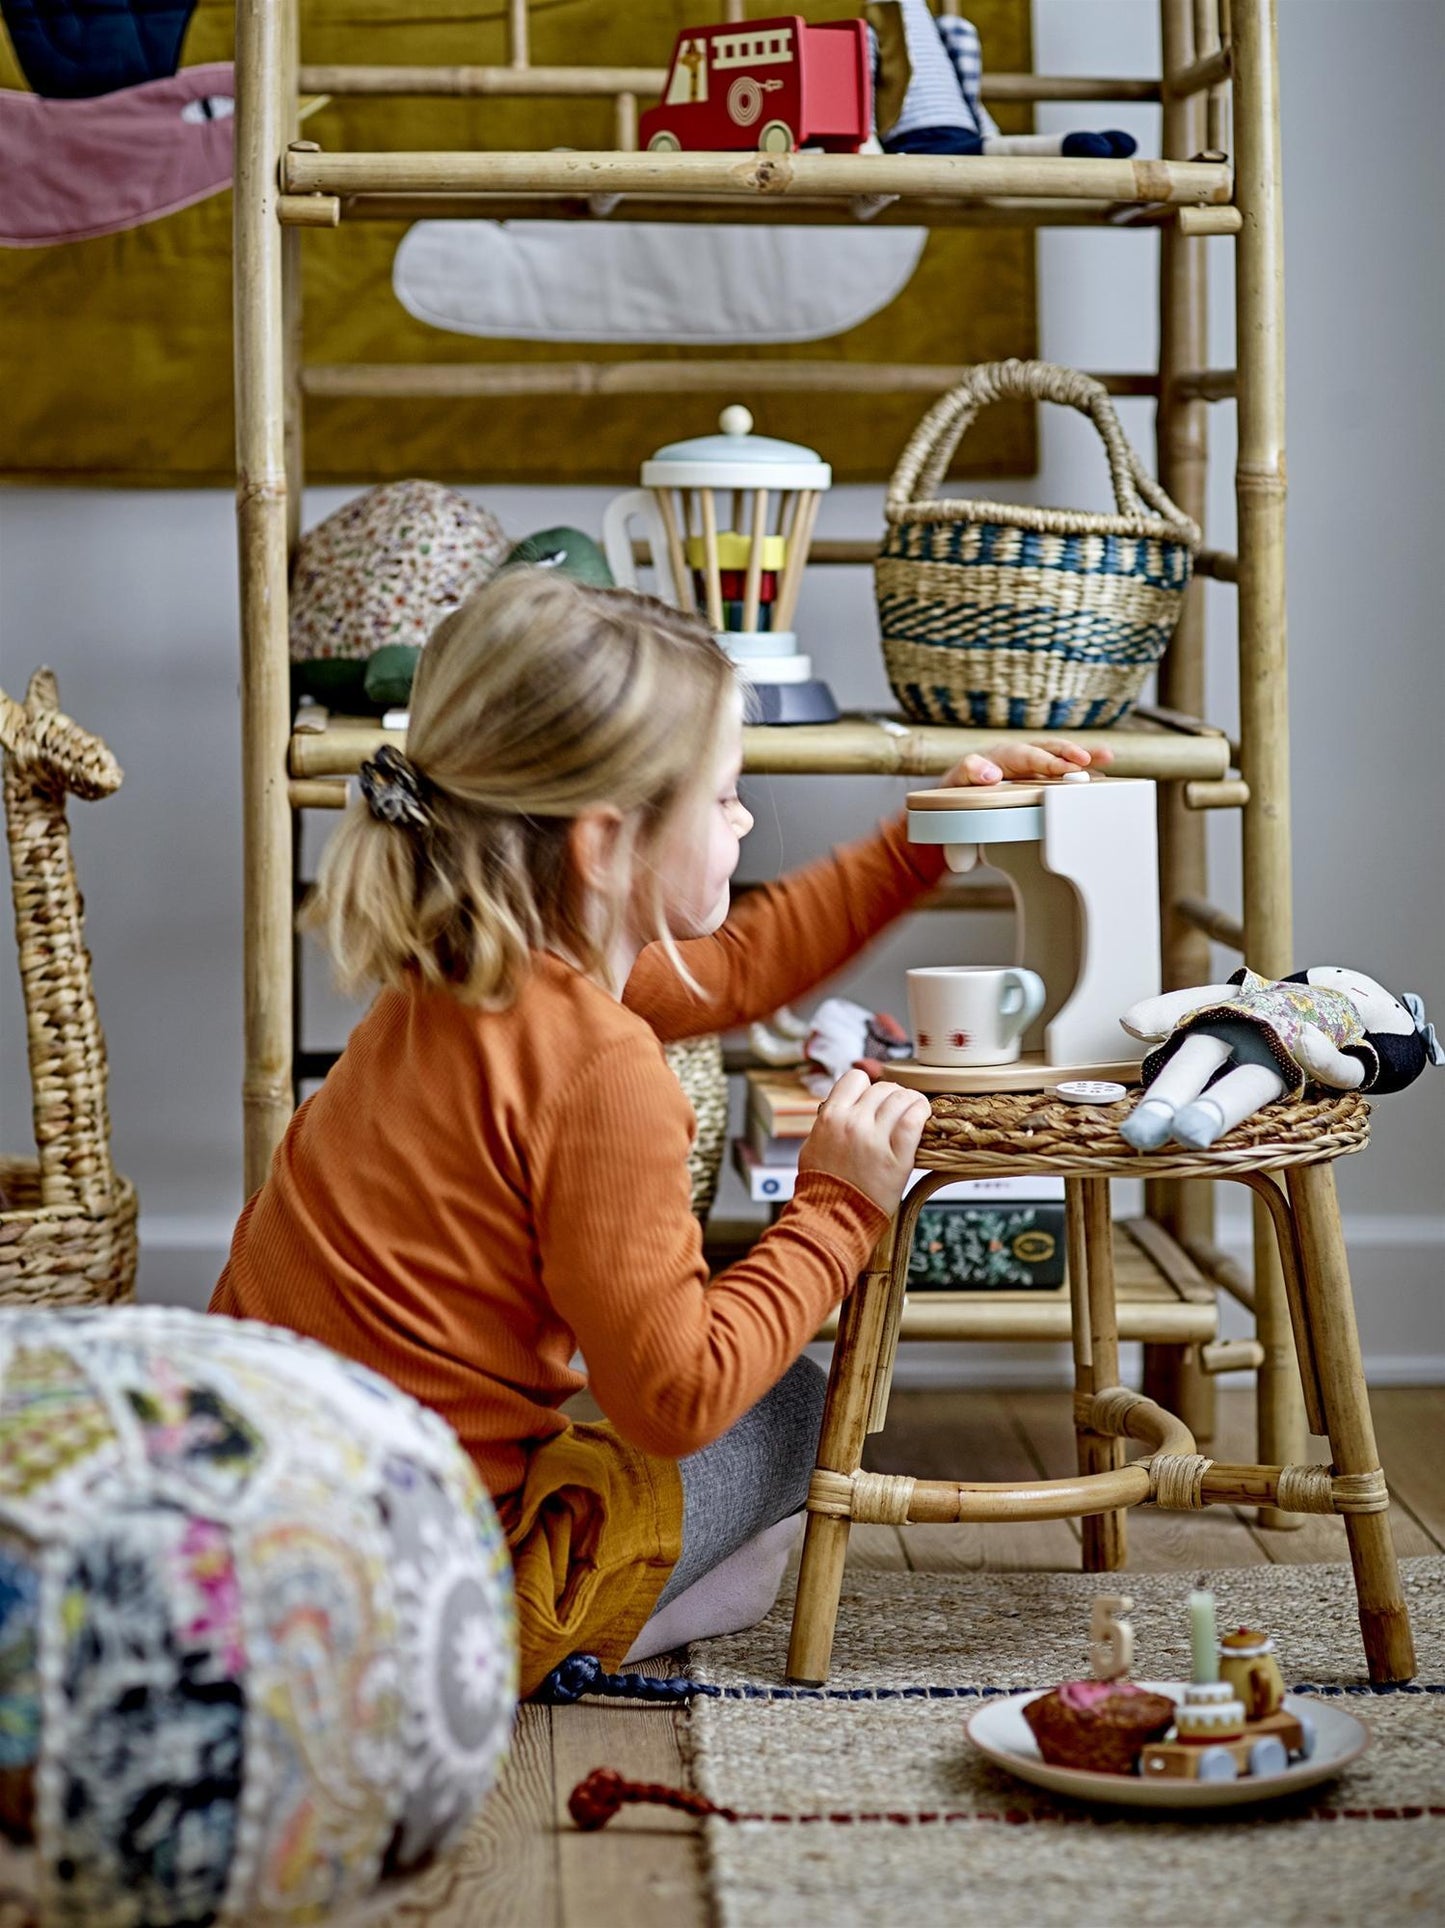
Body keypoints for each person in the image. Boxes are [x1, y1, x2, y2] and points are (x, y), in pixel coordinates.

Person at [210, 569, 1109, 1694]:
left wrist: (920, 844)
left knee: (669, 1445)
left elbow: (735, 967)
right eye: (726, 796)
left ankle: (635, 1591)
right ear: (602, 844)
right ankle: (560, 1635)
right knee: (792, 1400)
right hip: (421, 1591)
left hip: (249, 1529)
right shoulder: (601, 1066)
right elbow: (674, 1398)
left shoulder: (453, 963)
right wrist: (837, 1205)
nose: (742, 818)